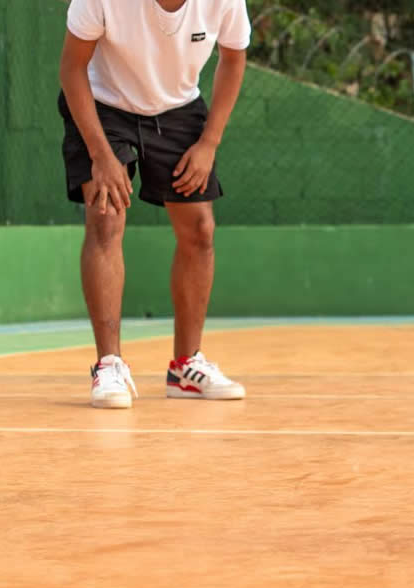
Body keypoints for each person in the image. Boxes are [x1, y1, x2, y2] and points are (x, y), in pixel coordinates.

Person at [58, 0, 250, 408]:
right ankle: (109, 365)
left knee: (200, 230)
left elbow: (233, 59)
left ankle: (185, 367)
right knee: (106, 218)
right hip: (104, 106)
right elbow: (72, 68)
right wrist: (99, 153)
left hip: (179, 109)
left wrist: (209, 143)